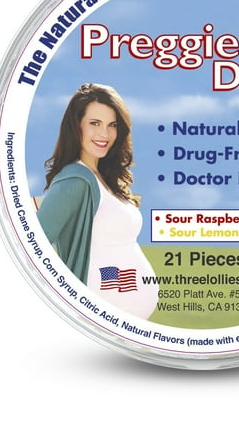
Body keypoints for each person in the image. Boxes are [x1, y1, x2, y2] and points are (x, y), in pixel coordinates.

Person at [36, 83, 159, 320]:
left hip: (124, 322)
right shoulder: (75, 182)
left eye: (112, 125)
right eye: (95, 123)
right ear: (76, 126)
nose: (104, 134)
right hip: (98, 320)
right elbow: (32, 245)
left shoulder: (105, 178)